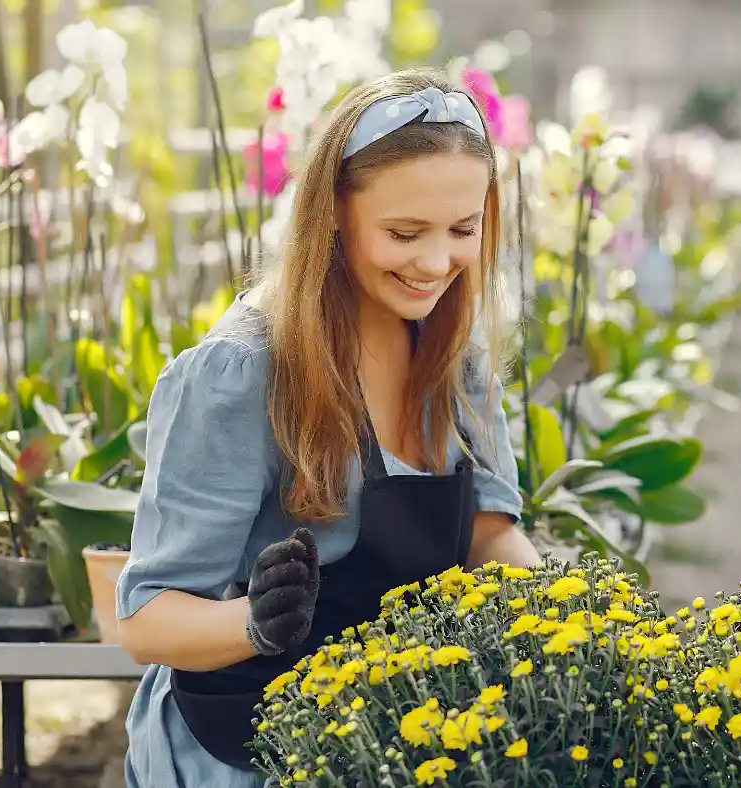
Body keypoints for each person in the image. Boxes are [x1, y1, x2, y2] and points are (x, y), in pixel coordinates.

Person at [114, 67, 543, 787]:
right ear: (335, 212)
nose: (437, 263)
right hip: (244, 741)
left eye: (462, 230)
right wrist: (254, 622)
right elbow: (147, 621)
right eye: (405, 232)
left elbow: (487, 533)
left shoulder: (454, 359)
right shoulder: (244, 371)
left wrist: (577, 618)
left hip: (388, 738)